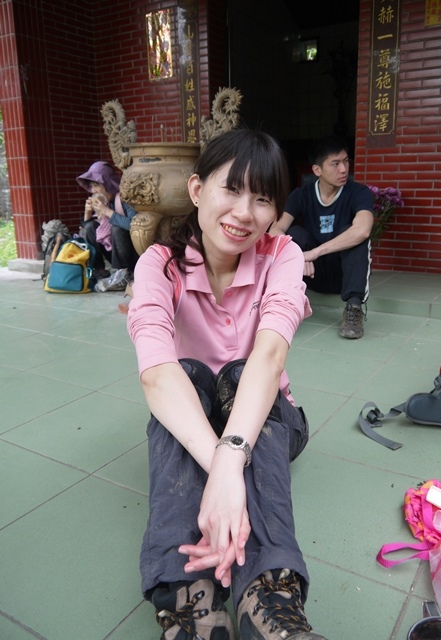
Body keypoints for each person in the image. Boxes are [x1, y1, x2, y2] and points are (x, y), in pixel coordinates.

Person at [127, 128, 328, 640]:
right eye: (232, 189)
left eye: (262, 199)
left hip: (269, 417)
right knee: (188, 375)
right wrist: (224, 468)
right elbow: (157, 374)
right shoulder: (159, 265)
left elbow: (269, 356)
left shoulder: (281, 255)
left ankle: (269, 595)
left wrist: (228, 460)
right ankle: (189, 597)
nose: (244, 213)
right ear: (197, 190)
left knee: (239, 372)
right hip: (198, 419)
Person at [269, 135, 374, 339]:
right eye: (335, 164)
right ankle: (286, 303)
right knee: (294, 234)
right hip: (311, 274)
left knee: (353, 234)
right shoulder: (300, 195)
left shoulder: (359, 193)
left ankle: (353, 309)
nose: (343, 169)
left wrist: (314, 253)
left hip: (344, 275)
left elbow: (362, 230)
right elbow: (275, 230)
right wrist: (298, 255)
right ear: (317, 170)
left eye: (346, 161)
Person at [77, 161, 138, 288]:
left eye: (96, 185)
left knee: (117, 228)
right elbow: (86, 232)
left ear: (108, 183)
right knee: (90, 227)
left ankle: (123, 275)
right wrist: (87, 214)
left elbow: (135, 226)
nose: (93, 190)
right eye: (91, 186)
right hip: (113, 252)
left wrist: (107, 212)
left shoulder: (124, 199)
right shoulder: (103, 201)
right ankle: (99, 271)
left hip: (131, 255)